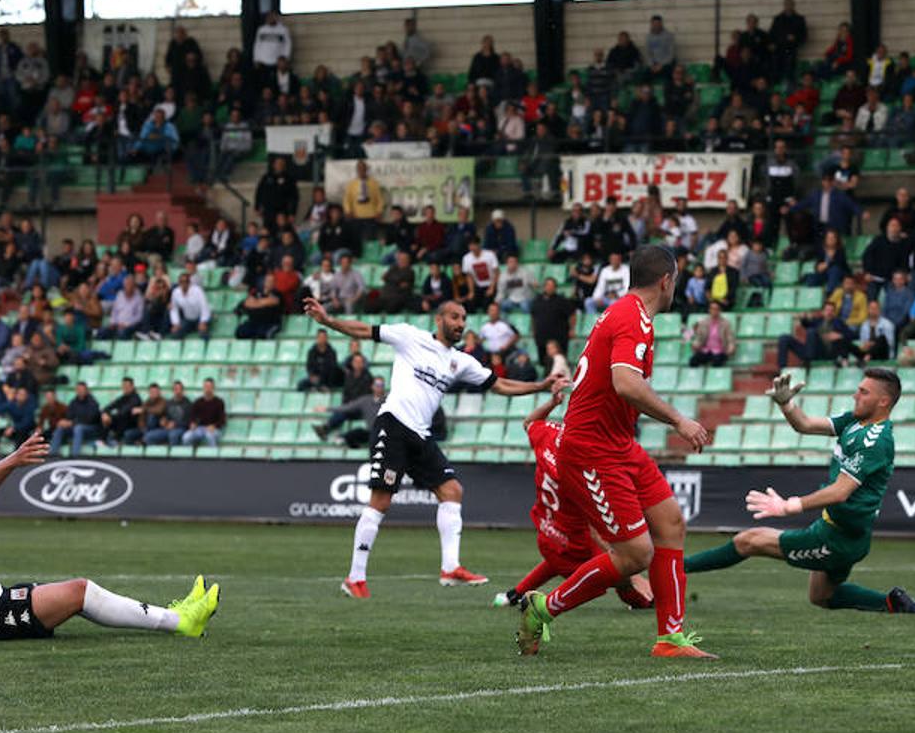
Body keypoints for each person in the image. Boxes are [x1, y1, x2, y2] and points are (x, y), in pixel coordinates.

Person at [514, 245, 714, 659]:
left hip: (618, 443)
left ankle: (669, 638)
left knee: (671, 523)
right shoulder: (633, 318)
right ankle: (542, 607)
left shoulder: (626, 313)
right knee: (634, 554)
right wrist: (679, 420)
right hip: (592, 449)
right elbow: (625, 383)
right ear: (666, 281)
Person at [302, 295, 562, 598]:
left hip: (420, 434)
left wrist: (541, 386)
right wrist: (329, 321)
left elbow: (500, 385)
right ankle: (354, 578)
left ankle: (450, 568)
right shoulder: (410, 337)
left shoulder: (460, 361)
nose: (460, 324)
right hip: (394, 425)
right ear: (439, 319)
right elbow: (364, 330)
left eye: (464, 319)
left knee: (452, 491)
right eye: (454, 317)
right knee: (381, 501)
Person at [0, 431, 220, 640]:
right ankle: (181, 622)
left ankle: (176, 613)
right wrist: (13, 460)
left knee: (73, 594)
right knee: (79, 592)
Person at [684, 371, 915, 615]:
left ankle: (673, 568)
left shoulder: (875, 440)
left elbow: (840, 492)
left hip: (838, 539)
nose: (855, 395)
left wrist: (791, 505)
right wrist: (786, 403)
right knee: (822, 596)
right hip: (843, 530)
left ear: (883, 401)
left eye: (863, 392)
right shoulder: (855, 422)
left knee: (748, 541)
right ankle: (893, 603)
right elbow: (805, 424)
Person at [492, 386, 653, 611]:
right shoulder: (583, 465)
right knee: (619, 571)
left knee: (558, 557)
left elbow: (529, 422)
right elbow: (598, 530)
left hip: (547, 534)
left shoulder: (550, 433)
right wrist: (634, 573)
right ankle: (644, 602)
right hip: (576, 546)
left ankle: (515, 594)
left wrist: (551, 404)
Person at [183, 378, 227, 447]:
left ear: (213, 388)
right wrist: (192, 423)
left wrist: (214, 426)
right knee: (186, 437)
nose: (208, 389)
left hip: (215, 429)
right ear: (203, 388)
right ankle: (190, 456)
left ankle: (213, 456)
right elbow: (192, 416)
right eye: (206, 387)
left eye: (210, 387)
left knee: (209, 436)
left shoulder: (219, 402)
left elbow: (222, 420)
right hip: (200, 428)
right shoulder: (198, 402)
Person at [688, 302, 735, 367]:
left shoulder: (726, 324)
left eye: (716, 309)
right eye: (712, 309)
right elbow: (699, 337)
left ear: (719, 310)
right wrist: (695, 344)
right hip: (705, 350)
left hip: (719, 351)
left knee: (717, 362)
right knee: (693, 361)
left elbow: (730, 338)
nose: (714, 311)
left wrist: (731, 348)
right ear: (709, 310)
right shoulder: (703, 322)